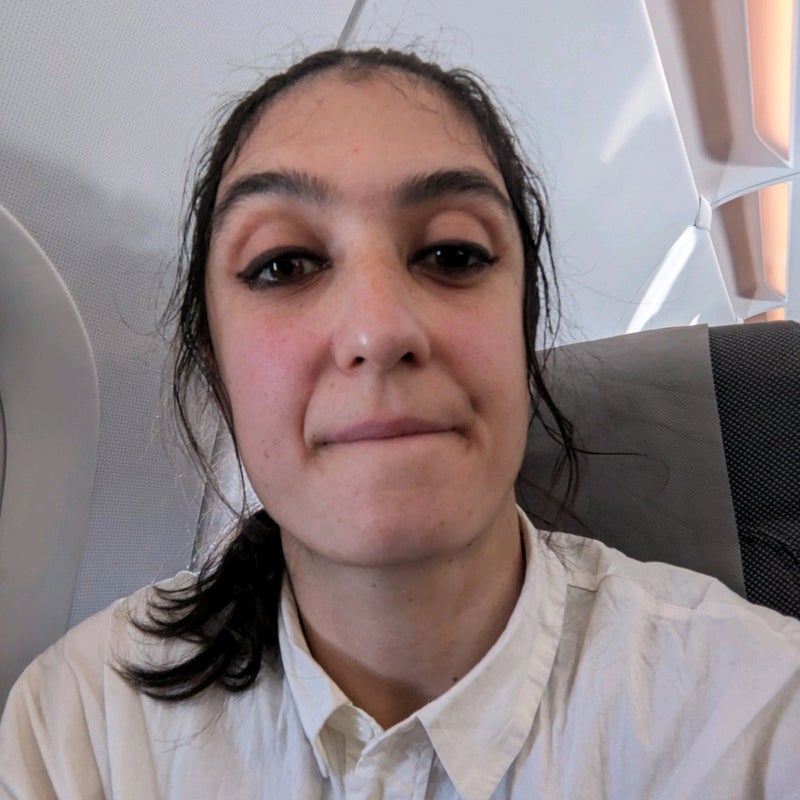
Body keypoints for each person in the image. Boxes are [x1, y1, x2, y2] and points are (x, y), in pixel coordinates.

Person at [1, 48, 799, 800]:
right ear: (217, 369)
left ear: (522, 332)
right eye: (284, 264)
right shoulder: (82, 732)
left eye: (452, 255)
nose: (378, 331)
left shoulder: (756, 718)